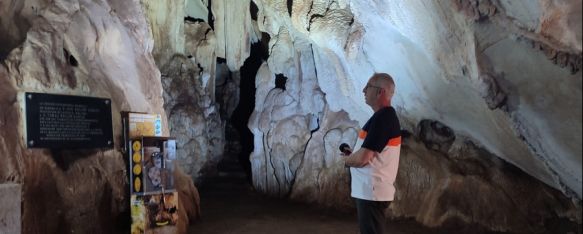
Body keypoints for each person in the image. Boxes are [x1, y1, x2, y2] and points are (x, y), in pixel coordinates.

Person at [342, 73, 402, 234]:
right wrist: (352, 155)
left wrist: (348, 161)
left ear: (380, 92)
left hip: (372, 191)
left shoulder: (383, 118)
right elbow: (367, 153)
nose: (363, 90)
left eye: (368, 86)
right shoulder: (383, 117)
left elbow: (363, 158)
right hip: (372, 191)